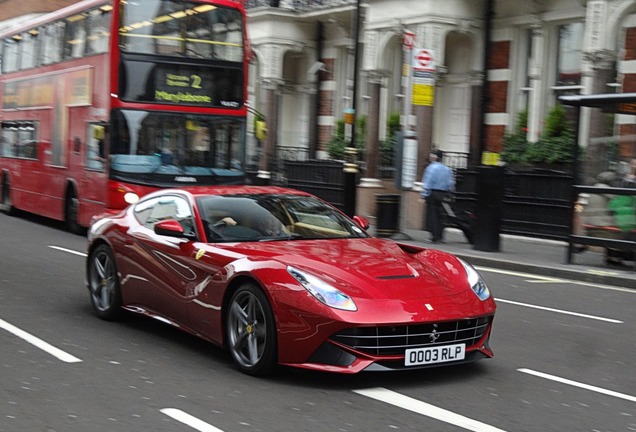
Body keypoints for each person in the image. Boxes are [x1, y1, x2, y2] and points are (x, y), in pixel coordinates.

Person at [420, 149, 455, 243]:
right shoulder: (447, 169)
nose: (430, 157)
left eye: (432, 156)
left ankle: (434, 236)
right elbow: (450, 183)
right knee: (441, 215)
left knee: (432, 215)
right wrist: (449, 192)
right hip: (443, 194)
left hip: (433, 193)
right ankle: (440, 236)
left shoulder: (431, 168)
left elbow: (427, 182)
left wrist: (423, 195)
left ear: (435, 157)